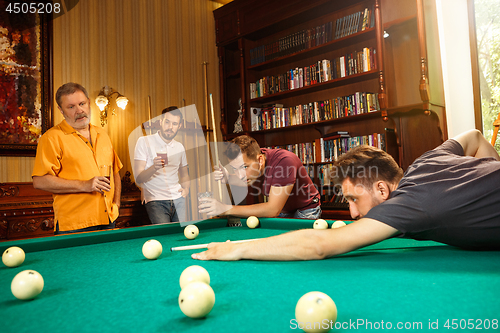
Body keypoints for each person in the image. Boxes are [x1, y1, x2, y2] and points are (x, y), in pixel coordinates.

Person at [192, 129, 500, 261]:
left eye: (353, 200)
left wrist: (237, 249)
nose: (352, 214)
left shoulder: (410, 202)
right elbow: (474, 136)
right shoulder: (426, 161)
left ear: (382, 189)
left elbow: (319, 245)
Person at [32, 82, 123, 234]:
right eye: (71, 107)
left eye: (82, 103)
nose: (79, 110)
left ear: (89, 103)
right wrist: (85, 185)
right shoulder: (51, 138)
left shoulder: (103, 134)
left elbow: (115, 172)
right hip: (73, 225)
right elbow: (39, 181)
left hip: (108, 220)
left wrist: (117, 204)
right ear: (61, 110)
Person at [198, 135, 321, 219]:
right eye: (235, 169)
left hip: (306, 209)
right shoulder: (255, 161)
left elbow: (272, 209)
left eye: (244, 167)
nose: (240, 175)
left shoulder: (284, 162)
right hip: (284, 211)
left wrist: (226, 209)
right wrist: (228, 178)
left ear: (260, 160)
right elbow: (245, 178)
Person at [133, 107, 190, 224]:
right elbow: (138, 178)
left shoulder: (180, 147)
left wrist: (186, 189)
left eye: (175, 124)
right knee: (165, 238)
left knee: (181, 236)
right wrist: (154, 167)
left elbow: (185, 174)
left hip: (178, 199)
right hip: (155, 200)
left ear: (179, 126)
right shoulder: (144, 141)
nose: (170, 127)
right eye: (167, 122)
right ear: (160, 122)